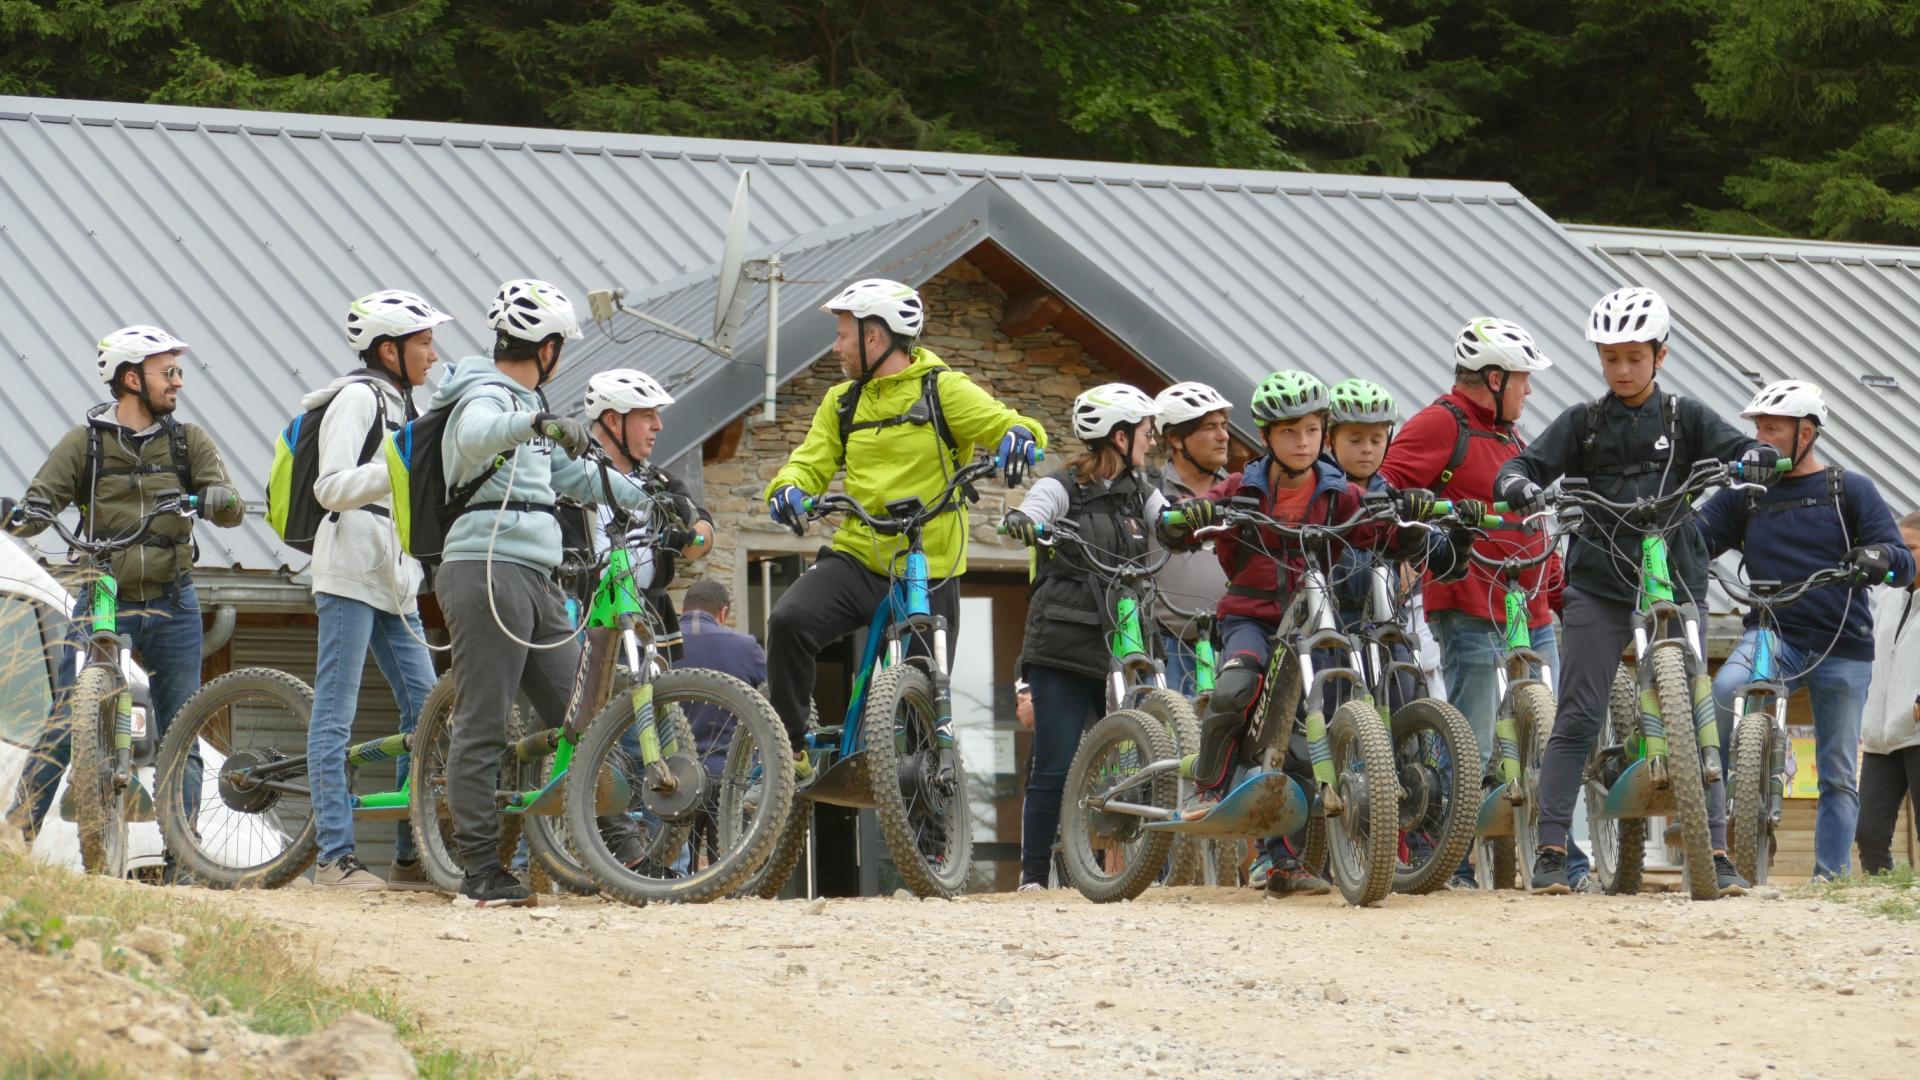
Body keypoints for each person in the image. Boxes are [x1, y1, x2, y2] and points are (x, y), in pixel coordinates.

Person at [1496, 286, 1779, 896]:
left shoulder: (1685, 417)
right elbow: (1519, 467)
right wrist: (1517, 485)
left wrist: (1756, 456)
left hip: (1676, 574)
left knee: (1698, 702)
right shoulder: (1582, 422)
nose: (1621, 369)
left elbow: (1744, 448)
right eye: (1610, 358)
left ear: (1661, 354)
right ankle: (1549, 849)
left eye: (1633, 357)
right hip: (1599, 580)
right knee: (1578, 710)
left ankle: (1717, 851)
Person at [1165, 370, 1474, 895]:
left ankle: (1299, 856)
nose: (1302, 442)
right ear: (1266, 437)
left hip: (1316, 617)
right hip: (1255, 615)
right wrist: (1190, 515)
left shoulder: (1338, 491)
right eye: (1289, 432)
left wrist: (1414, 520)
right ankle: (1207, 787)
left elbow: (1380, 536)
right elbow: (1185, 523)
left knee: (1316, 723)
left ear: (1322, 432)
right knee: (1238, 686)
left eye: (1310, 430)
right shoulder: (1244, 486)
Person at [762, 278, 1047, 774]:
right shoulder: (842, 403)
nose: (836, 347)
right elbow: (808, 464)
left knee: (923, 715)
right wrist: (787, 488)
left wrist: (1020, 436)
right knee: (788, 622)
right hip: (859, 556)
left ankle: (935, 846)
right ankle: (792, 750)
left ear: (875, 337)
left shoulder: (944, 389)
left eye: (843, 334)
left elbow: (1007, 423)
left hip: (929, 568)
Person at [432, 278, 654, 907]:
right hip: (485, 568)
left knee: (581, 717)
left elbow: (578, 477)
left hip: (535, 577)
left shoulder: (526, 414)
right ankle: (479, 869)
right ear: (547, 346)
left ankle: (621, 849)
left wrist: (652, 497)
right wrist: (533, 418)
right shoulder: (481, 394)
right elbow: (477, 436)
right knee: (485, 723)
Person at [3, 325, 245, 870]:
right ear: (131, 379)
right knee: (70, 712)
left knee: (180, 727)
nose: (178, 382)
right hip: (104, 589)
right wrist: (16, 517)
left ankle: (184, 858)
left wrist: (216, 499)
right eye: (169, 372)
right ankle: (14, 839)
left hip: (174, 597)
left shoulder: (188, 441)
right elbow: (39, 505)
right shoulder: (85, 443)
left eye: (178, 372)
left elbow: (231, 507)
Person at [1378, 318, 1593, 891]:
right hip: (1469, 601)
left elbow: (1536, 519)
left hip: (1530, 607)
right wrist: (1425, 524)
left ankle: (1563, 860)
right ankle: (1450, 861)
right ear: (1493, 378)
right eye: (1523, 380)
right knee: (1470, 740)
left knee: (1552, 738)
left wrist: (1553, 586)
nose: (1529, 391)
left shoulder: (1514, 438)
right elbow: (1387, 490)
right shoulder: (1439, 423)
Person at [1696, 379, 1914, 881]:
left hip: (1844, 645)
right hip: (1774, 633)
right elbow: (1697, 541)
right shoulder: (1744, 495)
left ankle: (1828, 879)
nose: (1761, 439)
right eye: (1758, 429)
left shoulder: (1849, 490)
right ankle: (1723, 797)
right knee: (1728, 688)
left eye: (1773, 429)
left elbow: (1901, 562)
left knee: (1838, 773)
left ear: (1807, 434)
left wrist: (1878, 557)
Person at [303, 290, 452, 890]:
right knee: (334, 717)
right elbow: (330, 487)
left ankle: (409, 854)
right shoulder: (358, 398)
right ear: (388, 349)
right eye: (423, 343)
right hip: (348, 570)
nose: (433, 354)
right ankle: (333, 857)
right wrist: (399, 462)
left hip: (396, 578)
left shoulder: (404, 406)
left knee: (428, 708)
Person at [1001, 383, 1165, 892]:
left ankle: (1146, 869)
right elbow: (1034, 508)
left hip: (1126, 642)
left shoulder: (1144, 489)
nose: (1151, 441)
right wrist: (1027, 524)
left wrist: (1192, 521)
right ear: (1119, 436)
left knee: (1145, 753)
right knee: (1054, 762)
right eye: (1144, 431)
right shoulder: (1063, 486)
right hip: (1064, 647)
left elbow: (1169, 521)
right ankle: (1033, 879)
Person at [582, 369, 715, 654]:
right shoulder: (571, 479)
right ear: (613, 421)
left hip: (649, 624)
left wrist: (688, 537)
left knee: (656, 697)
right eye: (647, 416)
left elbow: (703, 536)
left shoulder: (661, 484)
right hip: (584, 619)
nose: (659, 425)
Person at [1149, 382, 1233, 695]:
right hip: (1168, 646)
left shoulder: (1241, 492)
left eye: (1224, 426)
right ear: (1175, 438)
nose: (1223, 436)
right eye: (1210, 427)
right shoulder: (1151, 491)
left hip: (1233, 642)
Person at [1857, 512, 1920, 875]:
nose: (1901, 556)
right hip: (1880, 737)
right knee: (1868, 833)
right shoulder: (1886, 600)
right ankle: (1884, 901)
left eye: (1909, 548)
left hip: (1916, 729)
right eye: (1898, 548)